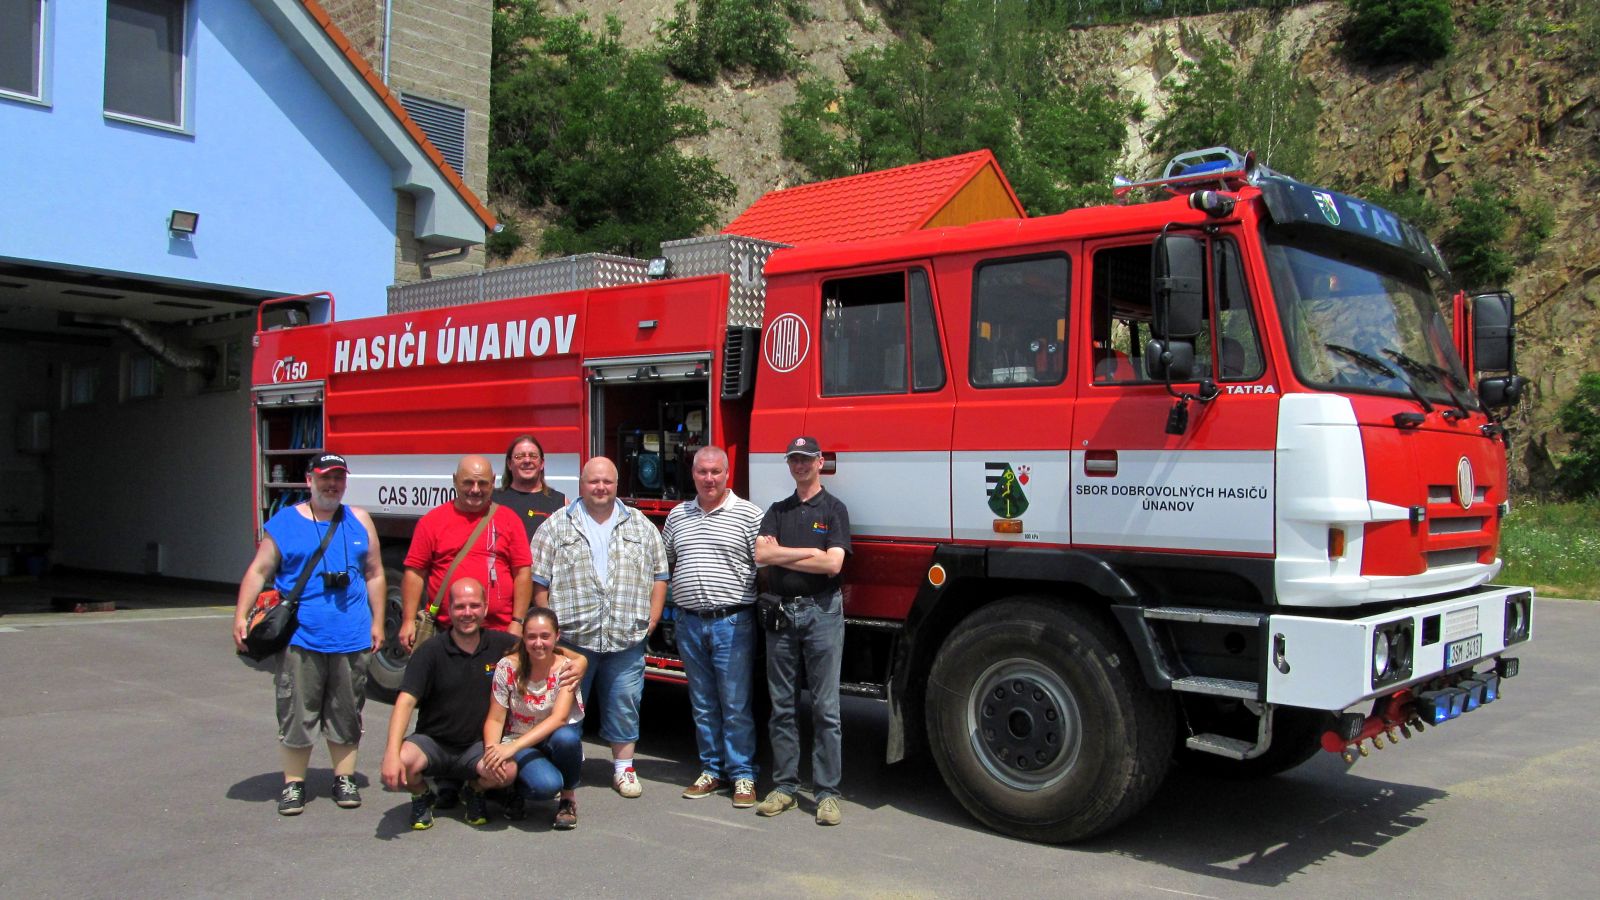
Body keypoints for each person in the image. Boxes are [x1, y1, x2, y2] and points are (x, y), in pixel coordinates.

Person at [233, 453, 385, 817]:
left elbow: (375, 573)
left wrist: (378, 622)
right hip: (301, 638)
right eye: (325, 478)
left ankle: (344, 778)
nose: (332, 485)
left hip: (352, 638)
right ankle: (294, 783)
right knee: (297, 711)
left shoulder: (360, 520)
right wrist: (240, 616)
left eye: (338, 478)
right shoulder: (284, 523)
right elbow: (258, 571)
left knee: (347, 712)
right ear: (309, 480)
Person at [530, 456, 668, 799]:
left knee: (625, 703)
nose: (601, 487)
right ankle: (568, 764)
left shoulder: (640, 524)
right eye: (594, 481)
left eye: (607, 481)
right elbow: (539, 582)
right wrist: (550, 629)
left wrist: (653, 618)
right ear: (582, 484)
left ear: (617, 485)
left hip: (626, 637)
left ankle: (624, 769)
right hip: (573, 639)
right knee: (567, 707)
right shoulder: (557, 525)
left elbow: (660, 574)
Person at [753, 436, 851, 826]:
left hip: (822, 613)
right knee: (782, 707)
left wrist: (785, 555)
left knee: (826, 709)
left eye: (806, 459)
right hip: (781, 613)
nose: (800, 465)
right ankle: (785, 788)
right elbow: (762, 555)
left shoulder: (834, 509)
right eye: (794, 460)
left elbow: (833, 565)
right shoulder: (778, 510)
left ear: (820, 462)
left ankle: (827, 794)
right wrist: (810, 553)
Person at [662, 446, 763, 808]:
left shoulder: (749, 515)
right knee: (703, 703)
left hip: (732, 623)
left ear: (727, 474)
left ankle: (743, 775)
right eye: (702, 472)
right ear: (692, 474)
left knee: (735, 704)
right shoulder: (678, 515)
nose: (708, 479)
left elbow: (763, 567)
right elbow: (666, 562)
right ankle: (711, 769)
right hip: (689, 622)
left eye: (715, 472)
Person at [400, 454, 532, 648]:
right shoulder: (432, 522)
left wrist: (517, 621)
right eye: (468, 482)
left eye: (483, 483)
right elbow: (415, 572)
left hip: (499, 633)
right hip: (447, 632)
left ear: (493, 482)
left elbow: (522, 573)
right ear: (455, 480)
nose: (475, 489)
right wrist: (408, 620)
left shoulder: (510, 520)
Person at [481, 607, 586, 829]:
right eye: (532, 637)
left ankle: (567, 799)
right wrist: (493, 753)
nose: (538, 643)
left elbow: (559, 718)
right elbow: (495, 719)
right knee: (546, 786)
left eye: (545, 636)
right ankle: (511, 790)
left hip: (549, 738)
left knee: (568, 739)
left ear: (557, 636)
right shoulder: (507, 667)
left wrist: (512, 748)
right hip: (517, 738)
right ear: (523, 638)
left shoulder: (567, 668)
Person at [494, 434, 566, 543]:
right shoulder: (493, 500)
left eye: (533, 456)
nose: (527, 460)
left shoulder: (561, 502)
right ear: (509, 464)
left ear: (542, 463)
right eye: (519, 456)